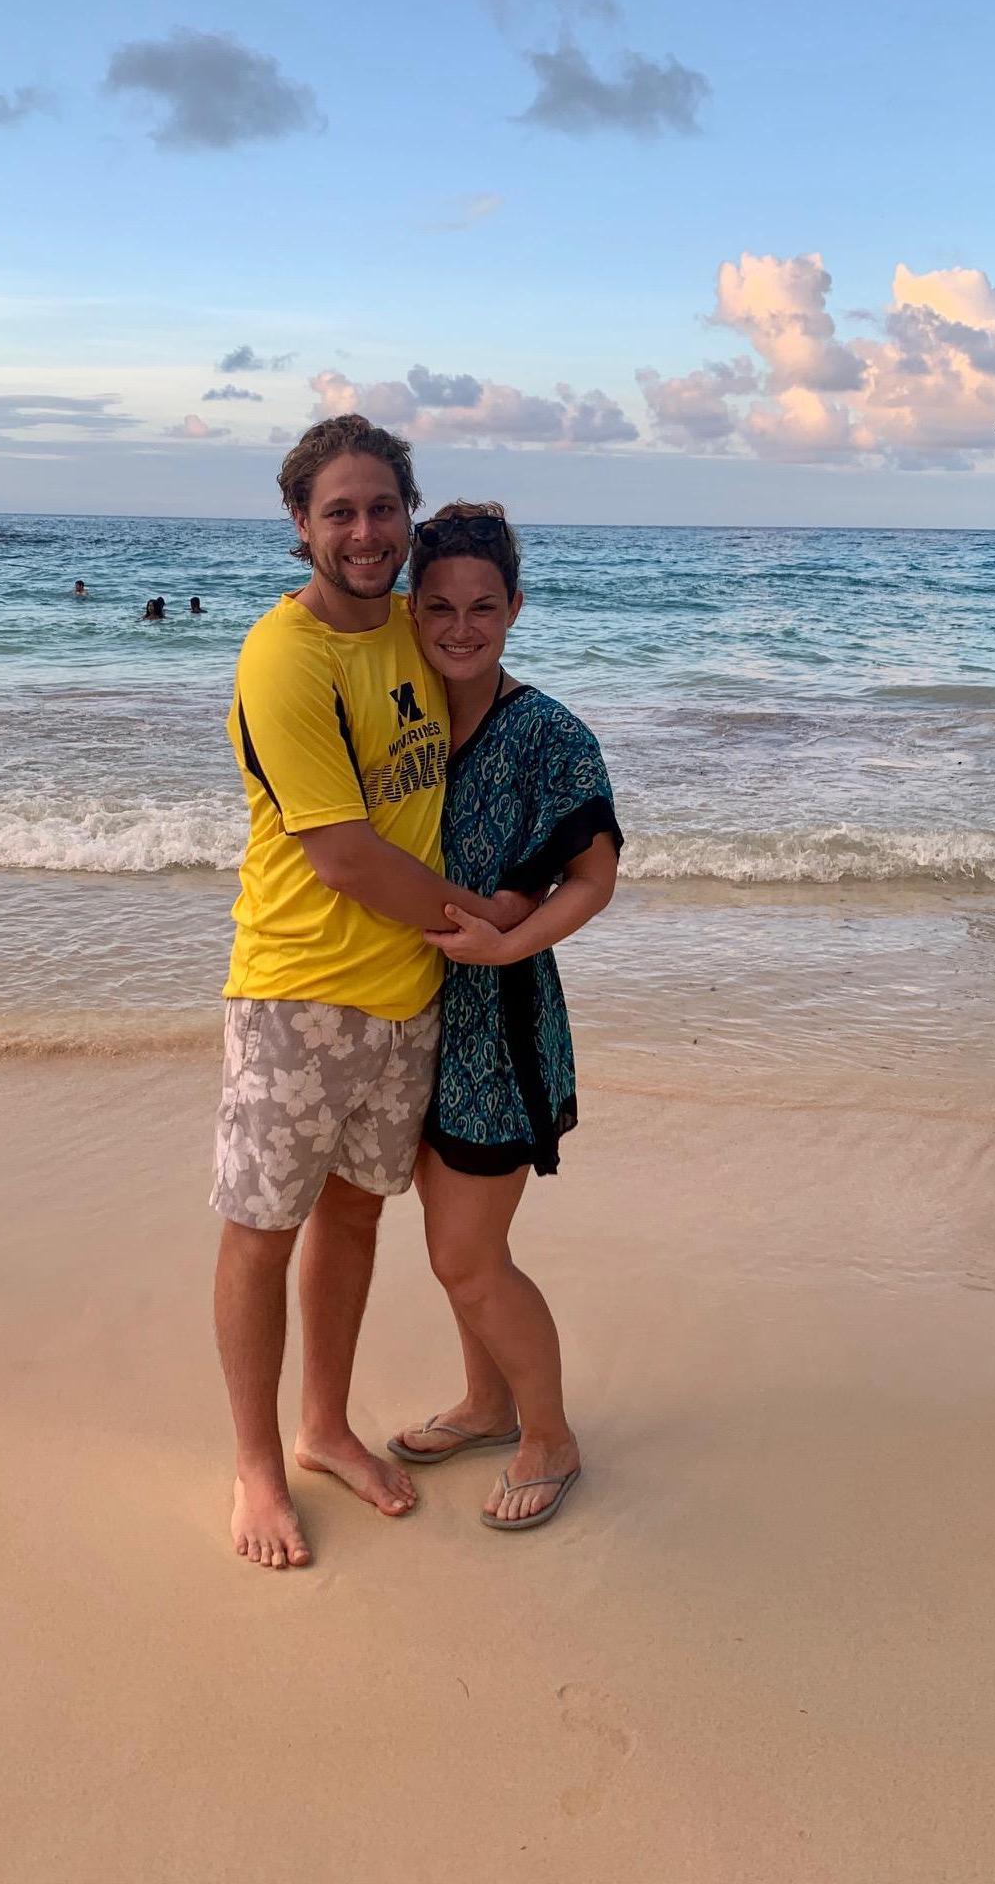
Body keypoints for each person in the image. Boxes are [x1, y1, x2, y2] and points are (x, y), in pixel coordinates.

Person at [212, 419, 536, 1571]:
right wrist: (489, 918)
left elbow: (488, 693)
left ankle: (324, 1428)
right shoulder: (284, 657)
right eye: (339, 511)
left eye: (382, 508)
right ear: (301, 524)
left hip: (408, 994)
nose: (364, 532)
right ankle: (258, 1467)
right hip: (297, 995)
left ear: (407, 514)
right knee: (261, 1233)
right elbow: (344, 855)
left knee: (354, 1218)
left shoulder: (410, 628)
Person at [385, 502, 622, 1531]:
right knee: (449, 1241)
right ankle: (487, 1406)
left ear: (515, 607)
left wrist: (505, 944)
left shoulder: (550, 734)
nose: (461, 626)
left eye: (483, 606)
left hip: (502, 1025)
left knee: (468, 1256)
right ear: (412, 609)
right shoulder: (400, 720)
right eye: (439, 606)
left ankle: (550, 1435)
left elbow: (593, 878)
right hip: (409, 1013)